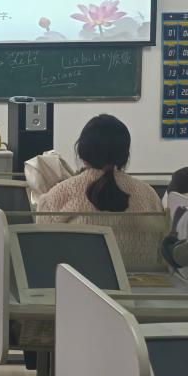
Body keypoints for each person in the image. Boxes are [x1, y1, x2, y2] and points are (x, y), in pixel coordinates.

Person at [37, 114, 166, 269]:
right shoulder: (149, 195)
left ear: (82, 151)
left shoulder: (59, 195)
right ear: (124, 155)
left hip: (78, 283)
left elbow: (43, 254)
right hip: (143, 283)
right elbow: (160, 252)